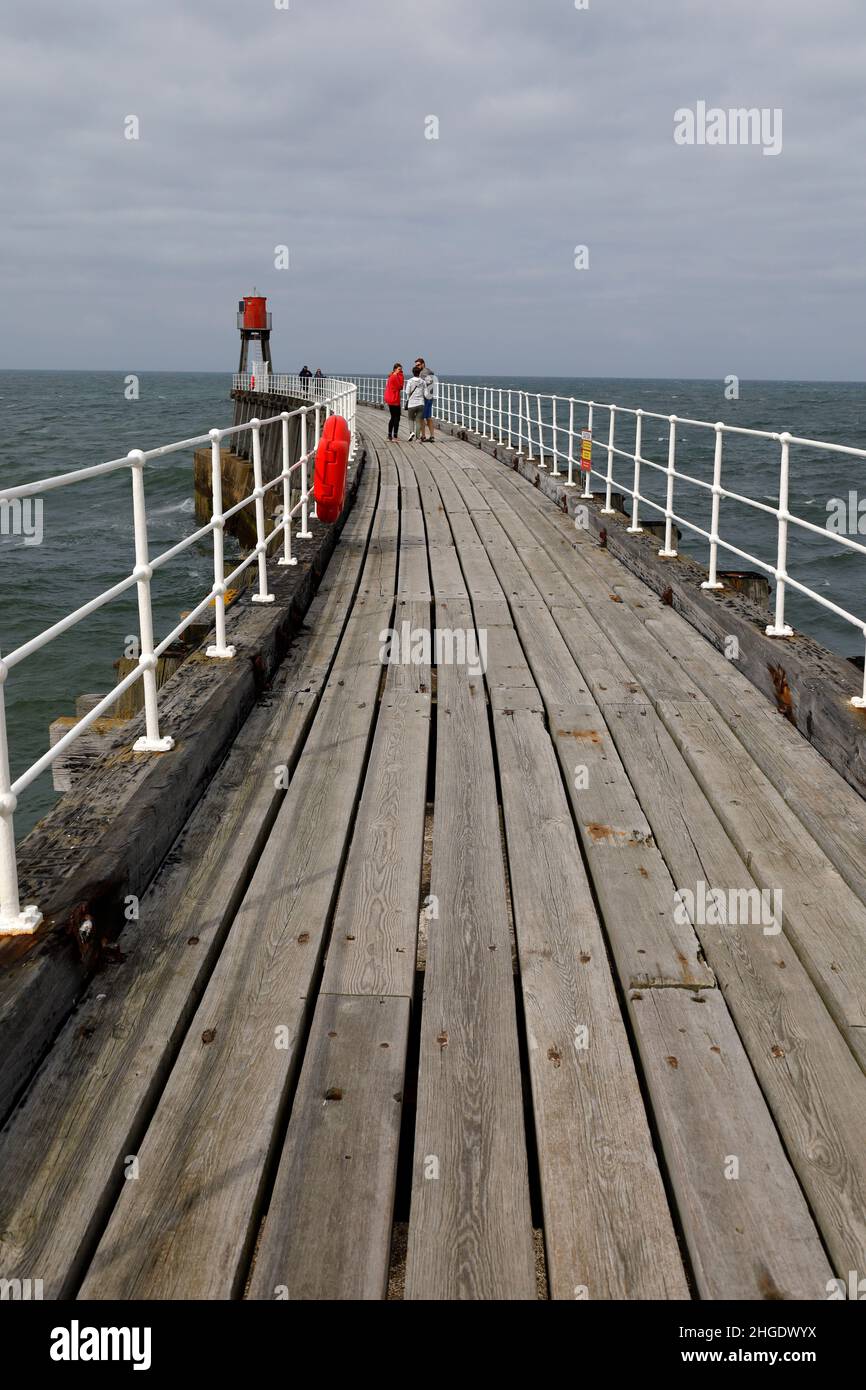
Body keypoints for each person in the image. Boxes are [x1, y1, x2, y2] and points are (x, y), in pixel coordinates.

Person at [417, 359, 438, 442]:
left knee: (422, 417)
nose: (417, 366)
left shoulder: (423, 373)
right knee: (428, 417)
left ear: (423, 364)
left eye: (418, 365)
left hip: (425, 398)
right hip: (430, 397)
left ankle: (423, 436)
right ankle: (432, 436)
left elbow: (421, 384)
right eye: (416, 365)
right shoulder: (429, 371)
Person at [384, 363, 405, 441]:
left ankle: (389, 435)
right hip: (394, 399)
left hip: (390, 399)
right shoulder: (395, 376)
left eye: (401, 369)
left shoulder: (391, 376)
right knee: (397, 417)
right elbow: (400, 386)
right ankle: (395, 436)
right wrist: (401, 377)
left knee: (393, 417)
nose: (401, 371)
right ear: (395, 369)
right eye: (399, 369)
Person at [404, 367, 426, 441]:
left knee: (410, 419)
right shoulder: (423, 382)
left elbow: (407, 392)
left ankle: (411, 432)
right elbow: (426, 393)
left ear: (413, 372)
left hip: (412, 404)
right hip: (421, 403)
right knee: (418, 421)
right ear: (419, 373)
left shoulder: (410, 381)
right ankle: (418, 438)